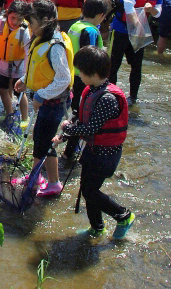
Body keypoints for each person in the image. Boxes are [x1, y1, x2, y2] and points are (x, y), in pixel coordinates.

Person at [53, 46, 134, 239]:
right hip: (93, 150)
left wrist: (67, 129)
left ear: (94, 73)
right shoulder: (91, 91)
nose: (79, 75)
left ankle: (123, 215)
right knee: (87, 189)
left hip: (106, 155)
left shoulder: (107, 98)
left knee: (90, 191)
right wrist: (63, 136)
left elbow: (91, 129)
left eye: (81, 71)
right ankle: (97, 227)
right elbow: (82, 120)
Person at [13, 0, 73, 197]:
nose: (30, 27)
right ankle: (36, 177)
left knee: (46, 143)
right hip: (46, 100)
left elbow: (63, 79)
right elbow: (40, 68)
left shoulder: (55, 46)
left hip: (54, 102)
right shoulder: (43, 39)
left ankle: (54, 183)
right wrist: (24, 79)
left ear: (46, 20)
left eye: (32, 23)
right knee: (39, 140)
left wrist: (41, 95)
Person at [109, 0, 171, 104]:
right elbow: (128, 6)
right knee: (113, 65)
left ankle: (133, 97)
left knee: (136, 66)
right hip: (120, 30)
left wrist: (151, 9)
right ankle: (110, 95)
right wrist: (138, 27)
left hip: (138, 32)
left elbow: (158, 13)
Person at [63, 0, 109, 159]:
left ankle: (69, 146)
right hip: (85, 79)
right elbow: (90, 56)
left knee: (76, 111)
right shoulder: (90, 30)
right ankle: (70, 151)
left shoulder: (75, 25)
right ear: (101, 16)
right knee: (82, 115)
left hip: (73, 76)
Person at [0, 0, 31, 128]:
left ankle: (25, 118)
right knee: (3, 88)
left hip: (19, 65)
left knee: (19, 91)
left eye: (19, 19)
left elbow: (28, 53)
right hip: (2, 62)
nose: (15, 22)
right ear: (7, 13)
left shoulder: (25, 31)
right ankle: (10, 114)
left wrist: (26, 75)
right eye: (13, 18)